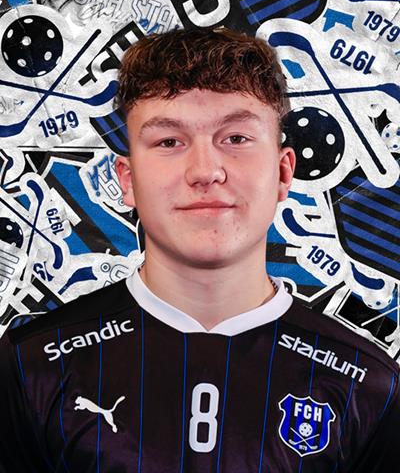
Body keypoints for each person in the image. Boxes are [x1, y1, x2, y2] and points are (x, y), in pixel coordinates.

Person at [0, 27, 398, 473]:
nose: (205, 171)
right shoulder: (31, 365)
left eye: (236, 138)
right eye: (169, 141)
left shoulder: (369, 385)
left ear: (284, 173)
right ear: (127, 180)